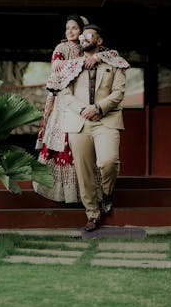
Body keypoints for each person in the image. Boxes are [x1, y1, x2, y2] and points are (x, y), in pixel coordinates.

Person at [33, 14, 129, 203]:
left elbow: (114, 56)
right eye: (67, 28)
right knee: (64, 144)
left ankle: (98, 193)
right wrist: (81, 63)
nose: (70, 32)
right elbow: (56, 67)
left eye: (75, 29)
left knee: (94, 154)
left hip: (95, 108)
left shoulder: (95, 50)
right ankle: (67, 194)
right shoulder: (63, 47)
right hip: (66, 102)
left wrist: (97, 57)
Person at [59, 23, 127, 231]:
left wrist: (98, 107)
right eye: (83, 36)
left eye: (90, 36)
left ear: (99, 41)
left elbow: (119, 93)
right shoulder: (72, 65)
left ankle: (107, 193)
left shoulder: (115, 63)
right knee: (84, 171)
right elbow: (65, 93)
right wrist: (83, 109)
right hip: (79, 123)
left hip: (106, 120)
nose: (84, 38)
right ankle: (92, 214)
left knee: (108, 162)